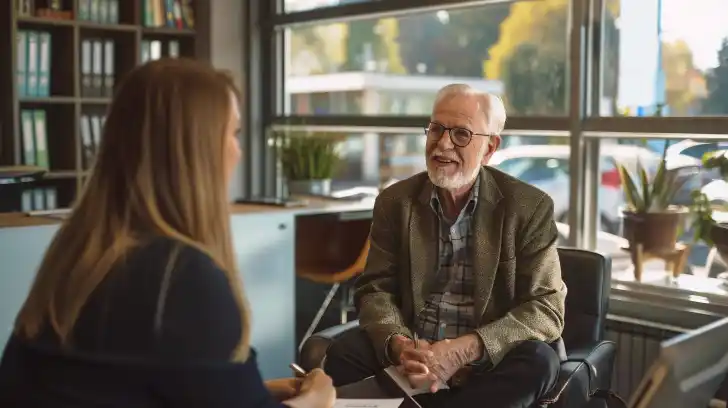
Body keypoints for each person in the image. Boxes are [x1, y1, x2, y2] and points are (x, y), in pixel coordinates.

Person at [0, 58, 335, 408]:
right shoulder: (181, 277)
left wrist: (254, 392)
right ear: (198, 151)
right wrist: (317, 400)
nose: (238, 150)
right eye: (233, 133)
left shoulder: (79, 255)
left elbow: (122, 384)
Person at [324, 84, 567, 408]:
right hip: (414, 356)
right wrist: (401, 345)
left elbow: (546, 308)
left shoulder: (528, 207)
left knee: (539, 361)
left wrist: (464, 350)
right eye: (436, 129)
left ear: (490, 148)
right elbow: (374, 289)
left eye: (461, 135)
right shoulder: (395, 203)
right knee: (344, 351)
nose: (442, 144)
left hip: (485, 364)